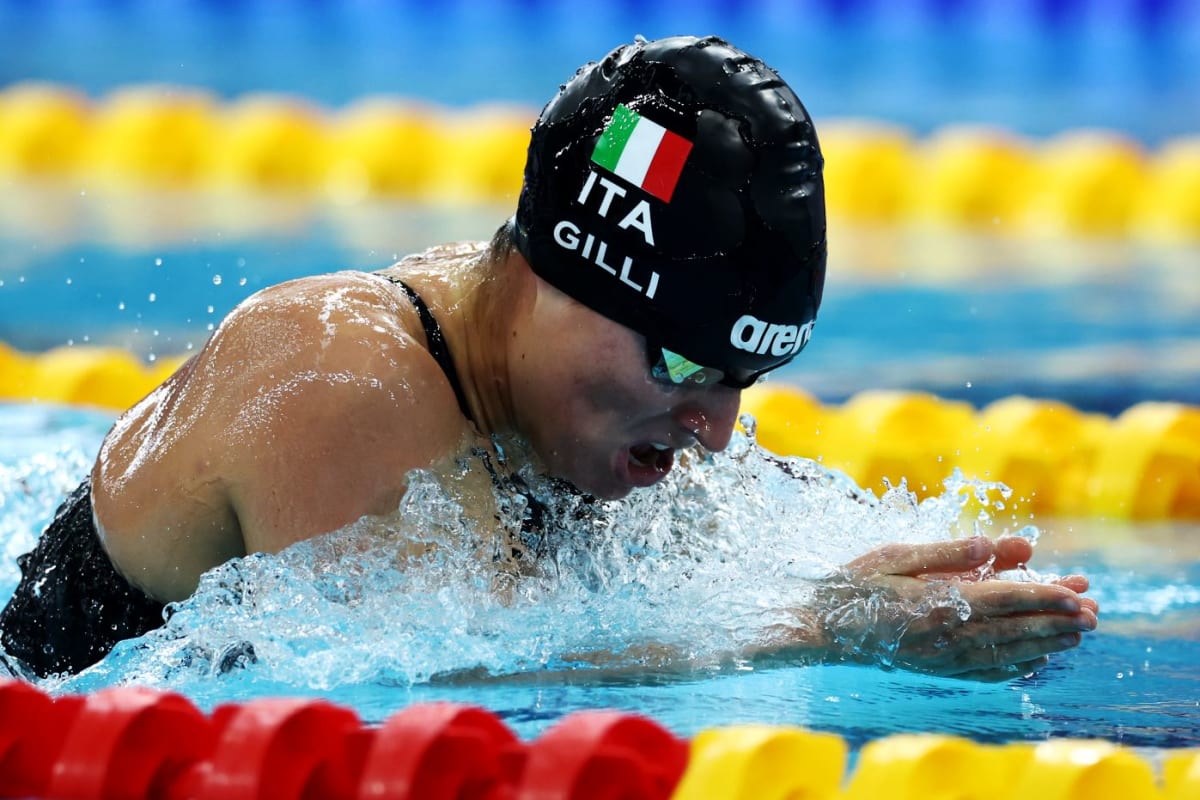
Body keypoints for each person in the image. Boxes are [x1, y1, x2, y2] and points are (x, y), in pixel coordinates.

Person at [0, 35, 1097, 680]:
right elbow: (426, 673)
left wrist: (874, 583)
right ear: (554, 273)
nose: (714, 430)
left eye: (738, 379)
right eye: (679, 362)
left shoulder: (555, 400)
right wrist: (826, 629)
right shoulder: (339, 372)